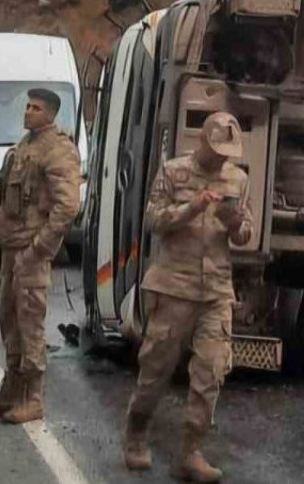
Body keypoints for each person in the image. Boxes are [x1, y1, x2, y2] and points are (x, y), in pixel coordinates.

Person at [122, 112, 252, 482]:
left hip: (216, 290)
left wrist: (234, 223)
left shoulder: (238, 179)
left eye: (228, 152)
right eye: (217, 150)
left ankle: (190, 452)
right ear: (203, 143)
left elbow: (246, 235)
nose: (222, 158)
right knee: (157, 369)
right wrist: (190, 208)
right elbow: (153, 221)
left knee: (211, 370)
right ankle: (136, 432)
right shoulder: (174, 172)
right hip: (172, 286)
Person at [0, 89, 81, 425]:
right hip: (10, 247)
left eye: (36, 108)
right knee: (10, 320)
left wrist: (39, 248)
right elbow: (2, 196)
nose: (28, 112)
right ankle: (10, 391)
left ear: (51, 114)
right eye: (27, 106)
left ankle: (34, 398)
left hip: (31, 252)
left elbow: (68, 207)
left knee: (30, 321)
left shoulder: (58, 149)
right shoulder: (23, 147)